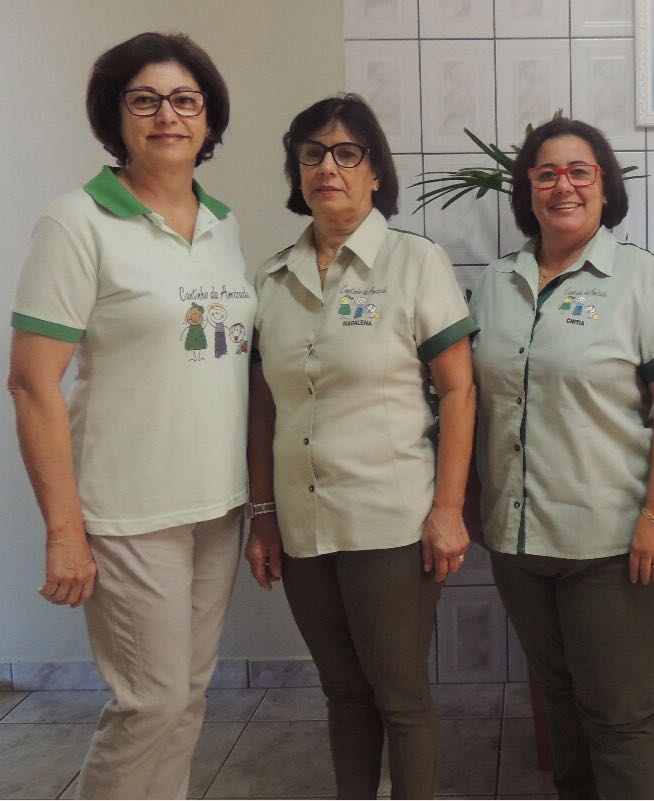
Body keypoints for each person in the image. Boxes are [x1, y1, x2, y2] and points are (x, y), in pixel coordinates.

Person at [7, 32, 250, 799]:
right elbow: (31, 384)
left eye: (184, 100)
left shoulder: (222, 224)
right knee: (150, 701)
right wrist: (64, 529)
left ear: (208, 118)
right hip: (129, 509)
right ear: (115, 117)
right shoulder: (76, 222)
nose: (167, 115)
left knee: (188, 696)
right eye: (144, 100)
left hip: (217, 504)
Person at [244, 94, 476, 799]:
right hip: (303, 523)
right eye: (312, 153)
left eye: (348, 153)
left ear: (376, 171)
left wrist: (449, 510)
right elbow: (263, 406)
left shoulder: (414, 262)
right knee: (343, 693)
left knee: (398, 697)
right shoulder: (272, 278)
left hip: (391, 521)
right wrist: (262, 513)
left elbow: (459, 391)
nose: (328, 168)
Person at [468, 116, 654, 798]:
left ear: (605, 188)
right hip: (519, 540)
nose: (563, 186)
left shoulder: (640, 278)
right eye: (546, 173)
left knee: (617, 715)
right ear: (528, 189)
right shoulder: (497, 283)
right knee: (561, 699)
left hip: (613, 543)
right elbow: (474, 400)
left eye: (580, 171)